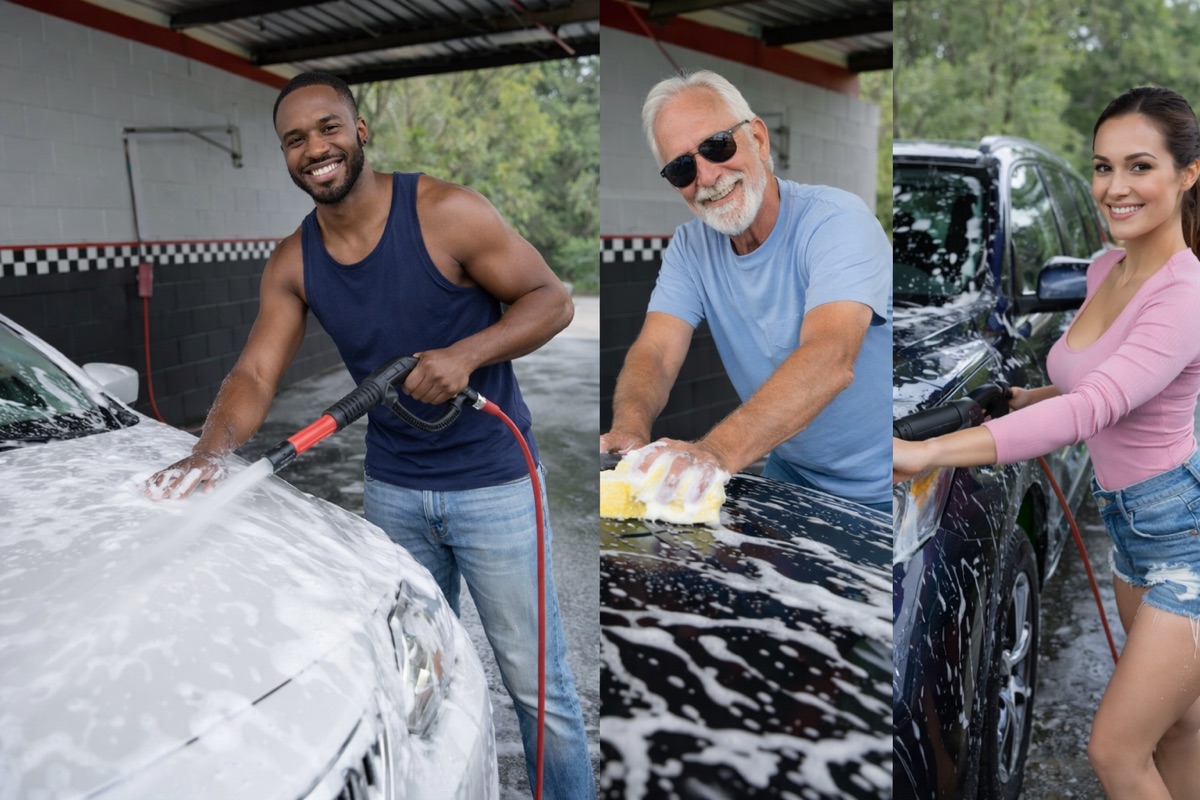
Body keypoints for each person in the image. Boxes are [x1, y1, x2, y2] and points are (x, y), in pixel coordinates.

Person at [144, 71, 595, 798]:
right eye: (295, 140)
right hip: (394, 493)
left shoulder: (446, 213)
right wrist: (208, 450)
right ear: (286, 157)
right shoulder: (295, 261)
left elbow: (553, 299)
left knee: (538, 690)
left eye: (328, 128)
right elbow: (256, 375)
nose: (314, 148)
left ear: (360, 132)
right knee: (416, 684)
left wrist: (465, 355)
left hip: (495, 483)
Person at [893, 86, 1200, 799]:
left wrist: (930, 453)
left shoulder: (1185, 293)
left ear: (1188, 174)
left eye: (1138, 166)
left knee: (1117, 753)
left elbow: (1098, 404)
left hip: (1184, 533)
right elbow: (1092, 378)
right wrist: (1026, 398)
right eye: (1102, 167)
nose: (1114, 188)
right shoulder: (1106, 270)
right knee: (1182, 727)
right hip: (1132, 531)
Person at [599, 69, 892, 513]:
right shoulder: (690, 247)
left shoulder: (837, 220)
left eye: (717, 146)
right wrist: (630, 431)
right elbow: (656, 351)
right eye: (681, 168)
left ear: (757, 138)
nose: (707, 176)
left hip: (882, 488)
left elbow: (831, 356)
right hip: (790, 477)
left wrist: (714, 453)